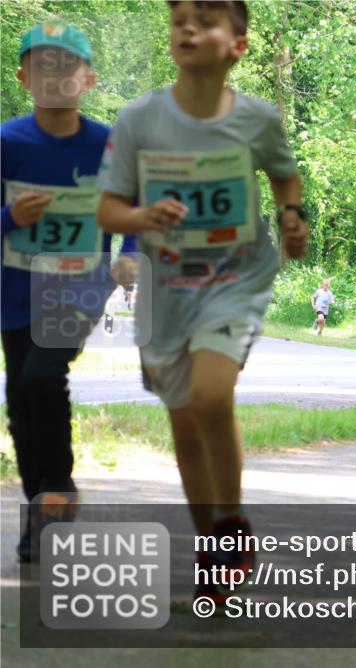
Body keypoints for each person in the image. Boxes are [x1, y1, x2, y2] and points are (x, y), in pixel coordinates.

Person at [97, 0, 308, 602]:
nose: (187, 27)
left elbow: (284, 175)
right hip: (166, 291)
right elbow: (109, 207)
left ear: (237, 45)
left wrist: (293, 216)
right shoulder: (139, 120)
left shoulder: (258, 119)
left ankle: (232, 518)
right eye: (178, 18)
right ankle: (212, 553)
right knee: (185, 425)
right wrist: (141, 217)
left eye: (206, 19)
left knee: (213, 396)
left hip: (234, 283)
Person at [1, 22, 137, 562]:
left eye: (67, 65)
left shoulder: (108, 144)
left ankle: (58, 492)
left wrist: (127, 253)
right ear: (23, 77)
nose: (55, 76)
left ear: (89, 80)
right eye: (43, 65)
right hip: (14, 288)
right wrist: (10, 215)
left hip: (79, 286)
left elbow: (134, 207)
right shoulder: (8, 143)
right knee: (20, 401)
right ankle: (42, 509)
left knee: (42, 375)